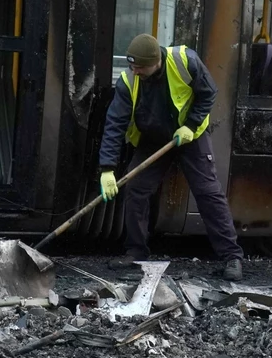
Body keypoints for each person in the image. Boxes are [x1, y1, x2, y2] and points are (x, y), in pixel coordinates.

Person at [98, 34, 245, 281]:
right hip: (153, 140)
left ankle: (232, 257)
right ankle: (136, 252)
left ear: (156, 61)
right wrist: (107, 169)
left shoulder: (185, 61)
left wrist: (190, 124)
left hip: (190, 136)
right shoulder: (127, 81)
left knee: (208, 193)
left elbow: (208, 93)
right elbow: (115, 124)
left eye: (141, 67)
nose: (135, 72)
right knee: (136, 188)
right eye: (132, 66)